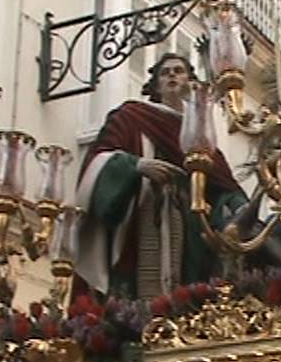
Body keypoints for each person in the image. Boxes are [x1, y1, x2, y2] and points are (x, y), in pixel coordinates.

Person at [75, 53, 247, 299]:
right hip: (142, 220)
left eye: (179, 71)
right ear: (156, 85)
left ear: (190, 81)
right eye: (165, 73)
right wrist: (137, 165)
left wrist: (241, 208)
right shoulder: (132, 117)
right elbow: (98, 160)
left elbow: (223, 186)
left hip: (190, 231)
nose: (172, 76)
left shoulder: (200, 136)